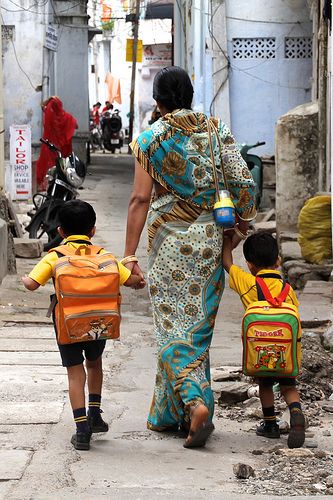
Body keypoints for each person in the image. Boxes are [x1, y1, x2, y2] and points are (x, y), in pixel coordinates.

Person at [123, 66, 257, 448]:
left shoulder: (151, 139)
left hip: (168, 242)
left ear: (158, 100)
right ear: (191, 94)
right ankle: (173, 416)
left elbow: (139, 199)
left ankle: (195, 404)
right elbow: (245, 186)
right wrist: (238, 231)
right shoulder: (216, 130)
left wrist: (129, 255)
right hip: (210, 241)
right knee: (195, 329)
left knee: (171, 329)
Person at [22, 199, 143, 451]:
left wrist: (25, 279)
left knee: (75, 372)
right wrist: (138, 279)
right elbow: (130, 281)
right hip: (99, 323)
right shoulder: (105, 258)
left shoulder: (55, 257)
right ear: (93, 231)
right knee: (95, 363)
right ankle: (95, 414)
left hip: (68, 324)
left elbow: (32, 284)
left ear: (61, 232)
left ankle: (81, 429)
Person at [222, 231, 305, 449]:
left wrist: (228, 237)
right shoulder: (288, 291)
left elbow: (226, 261)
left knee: (265, 383)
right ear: (278, 261)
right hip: (285, 352)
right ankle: (296, 411)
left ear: (249, 264)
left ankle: (270, 425)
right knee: (288, 386)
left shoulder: (247, 282)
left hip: (261, 352)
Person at [37, 96, 78, 186]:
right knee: (61, 165)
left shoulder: (50, 111)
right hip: (60, 147)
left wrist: (48, 101)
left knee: (50, 165)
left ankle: (48, 183)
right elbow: (75, 125)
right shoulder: (66, 117)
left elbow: (43, 107)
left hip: (49, 144)